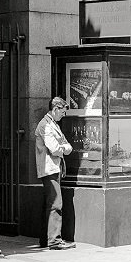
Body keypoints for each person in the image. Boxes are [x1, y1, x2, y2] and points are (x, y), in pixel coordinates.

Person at [34, 96, 75, 250]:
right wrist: (64, 148)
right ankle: (55, 241)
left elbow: (66, 146)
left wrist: (63, 147)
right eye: (62, 112)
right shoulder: (46, 126)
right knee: (56, 203)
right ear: (56, 109)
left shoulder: (52, 125)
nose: (63, 116)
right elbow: (56, 149)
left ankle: (46, 239)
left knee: (50, 203)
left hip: (52, 168)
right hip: (49, 169)